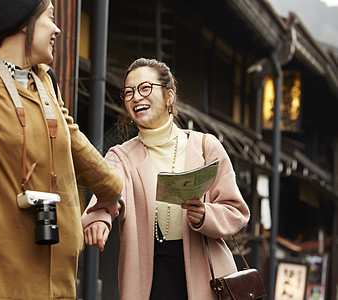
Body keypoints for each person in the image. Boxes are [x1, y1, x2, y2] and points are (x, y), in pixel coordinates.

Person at [0, 0, 122, 299]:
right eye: (51, 17)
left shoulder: (45, 81)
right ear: (21, 22)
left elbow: (75, 142)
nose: (58, 28)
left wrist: (113, 192)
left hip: (58, 280)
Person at [82, 58, 250, 299]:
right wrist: (98, 218)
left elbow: (236, 211)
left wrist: (206, 215)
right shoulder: (121, 156)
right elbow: (110, 189)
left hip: (206, 274)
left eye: (145, 88)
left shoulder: (205, 147)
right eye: (128, 92)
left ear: (169, 97)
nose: (136, 97)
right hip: (149, 275)